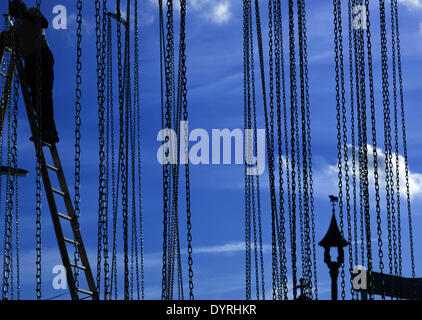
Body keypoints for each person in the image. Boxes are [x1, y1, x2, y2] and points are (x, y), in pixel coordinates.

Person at [1, 0, 58, 143]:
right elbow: (9, 40)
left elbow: (44, 23)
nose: (14, 10)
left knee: (43, 93)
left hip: (41, 55)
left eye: (16, 7)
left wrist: (24, 14)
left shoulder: (32, 11)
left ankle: (49, 131)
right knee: (35, 95)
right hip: (30, 60)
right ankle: (45, 130)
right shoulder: (16, 27)